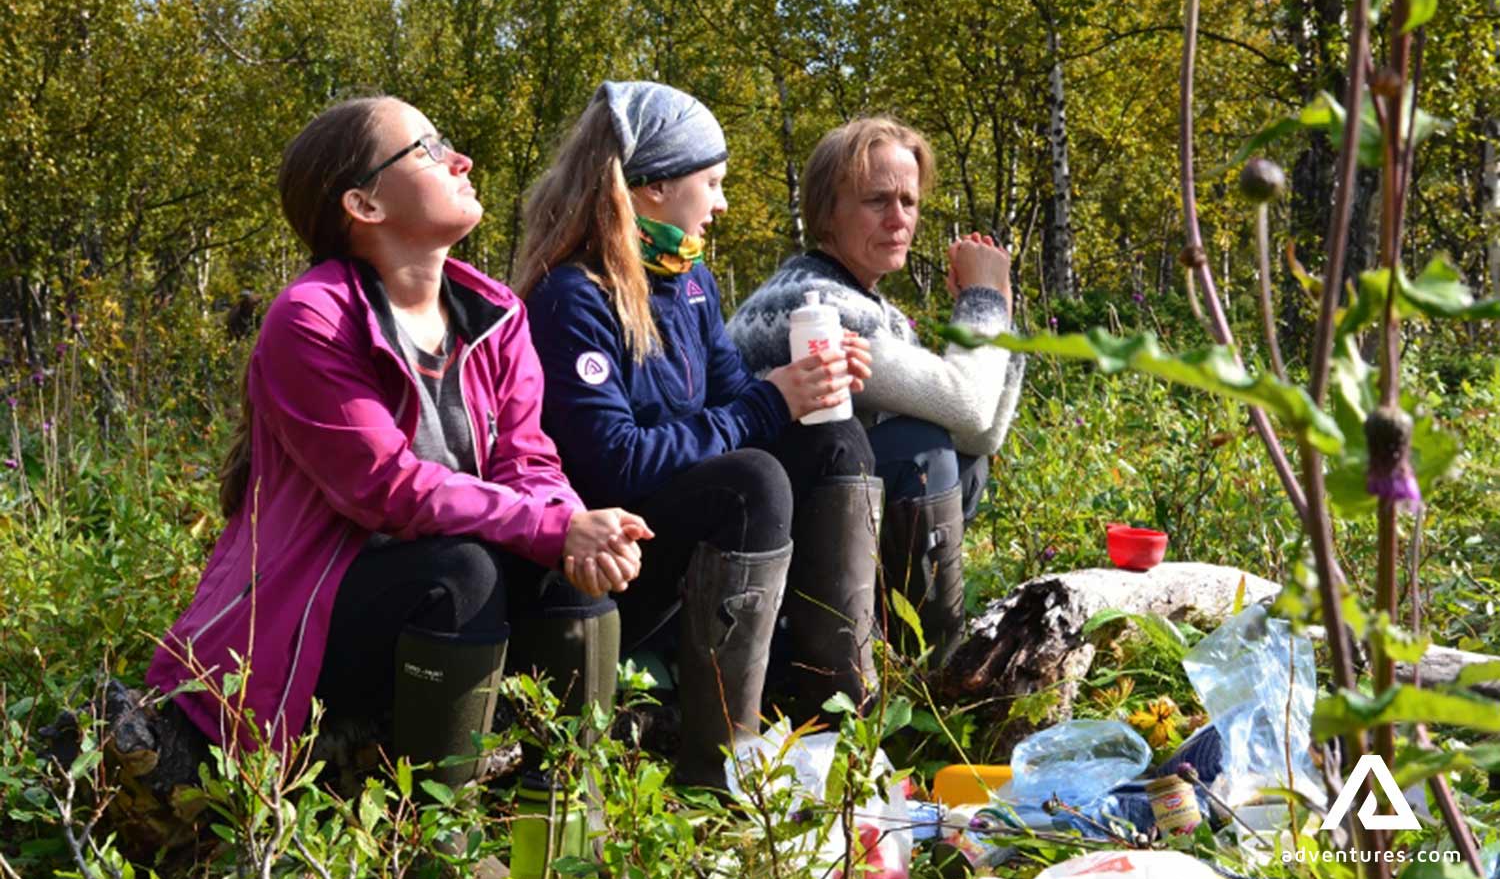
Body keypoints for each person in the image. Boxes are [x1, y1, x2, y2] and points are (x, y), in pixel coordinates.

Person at [147, 97, 648, 792]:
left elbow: (528, 460)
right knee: (463, 571)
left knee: (565, 575)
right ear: (365, 205)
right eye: (427, 149)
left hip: (437, 607)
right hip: (310, 617)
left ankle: (566, 825)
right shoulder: (311, 317)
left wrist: (578, 530)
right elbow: (384, 485)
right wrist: (558, 524)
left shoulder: (496, 314)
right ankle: (440, 843)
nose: (460, 159)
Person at [516, 81, 882, 788]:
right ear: (652, 189)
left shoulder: (688, 282)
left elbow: (733, 401)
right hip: (613, 558)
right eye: (710, 183)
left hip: (687, 531)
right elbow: (612, 465)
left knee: (835, 440)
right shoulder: (573, 297)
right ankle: (716, 764)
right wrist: (770, 404)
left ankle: (833, 713)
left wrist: (805, 386)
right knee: (752, 480)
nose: (720, 203)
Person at [728, 116, 1026, 667]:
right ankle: (931, 659)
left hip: (826, 533)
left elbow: (983, 431)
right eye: (876, 201)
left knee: (959, 459)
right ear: (827, 211)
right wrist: (982, 301)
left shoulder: (872, 307)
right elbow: (969, 404)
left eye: (909, 202)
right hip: (774, 548)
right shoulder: (812, 303)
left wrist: (998, 308)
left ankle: (908, 653)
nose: (899, 220)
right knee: (921, 446)